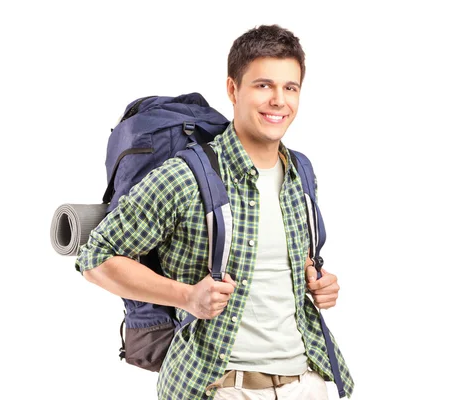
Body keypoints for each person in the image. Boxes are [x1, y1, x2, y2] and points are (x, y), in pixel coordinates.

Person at [75, 24, 354, 399]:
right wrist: (186, 296)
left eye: (290, 88)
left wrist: (317, 282)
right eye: (263, 85)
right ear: (233, 90)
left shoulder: (301, 171)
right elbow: (96, 257)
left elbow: (280, 266)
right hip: (221, 388)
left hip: (305, 382)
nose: (279, 100)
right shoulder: (186, 175)